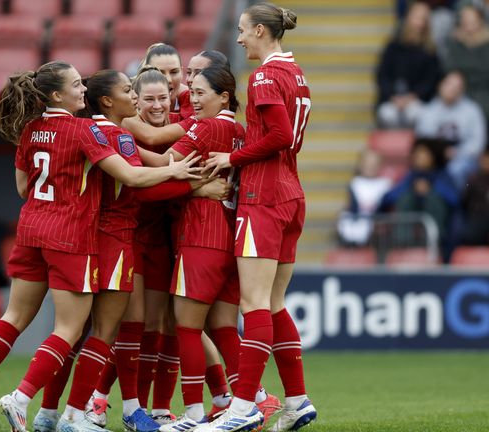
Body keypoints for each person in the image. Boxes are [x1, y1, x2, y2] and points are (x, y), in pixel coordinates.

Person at [0, 61, 202, 432]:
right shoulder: (91, 132)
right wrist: (180, 175)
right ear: (58, 94)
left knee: (15, 318)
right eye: (74, 84)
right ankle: (36, 403)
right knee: (81, 330)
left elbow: (23, 188)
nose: (80, 88)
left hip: (31, 228)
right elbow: (133, 179)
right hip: (84, 237)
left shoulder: (30, 128)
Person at [203, 3, 318, 431]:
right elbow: (289, 138)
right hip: (290, 191)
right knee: (272, 304)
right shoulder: (297, 73)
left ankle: (242, 407)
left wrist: (231, 157)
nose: (237, 39)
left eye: (242, 31)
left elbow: (278, 135)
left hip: (264, 194)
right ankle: (297, 401)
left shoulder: (266, 76)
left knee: (252, 304)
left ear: (261, 32)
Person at [135, 66, 247, 431]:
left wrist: (117, 145)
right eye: (191, 92)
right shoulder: (239, 131)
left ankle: (194, 413)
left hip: (200, 235)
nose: (192, 100)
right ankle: (252, 400)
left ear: (224, 96)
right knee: (224, 328)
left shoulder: (206, 127)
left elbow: (166, 168)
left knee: (185, 328)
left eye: (200, 92)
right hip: (229, 237)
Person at [379, 139, 460, 252]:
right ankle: (403, 245)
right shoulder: (410, 176)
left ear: (432, 156)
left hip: (438, 240)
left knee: (434, 199)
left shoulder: (442, 174)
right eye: (417, 154)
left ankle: (433, 244)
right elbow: (388, 198)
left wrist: (431, 187)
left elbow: (455, 200)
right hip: (407, 240)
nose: (419, 157)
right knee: (406, 199)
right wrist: (411, 188)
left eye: (424, 154)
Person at [415, 71, 486, 189]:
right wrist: (438, 154)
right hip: (434, 158)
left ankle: (456, 205)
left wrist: (457, 153)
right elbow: (423, 140)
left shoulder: (472, 111)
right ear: (440, 85)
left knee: (456, 170)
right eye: (449, 84)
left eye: (457, 86)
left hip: (463, 158)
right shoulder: (428, 111)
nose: (452, 89)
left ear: (463, 90)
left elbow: (478, 143)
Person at [376, 1, 441, 128]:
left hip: (417, 102)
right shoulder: (393, 47)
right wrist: (392, 97)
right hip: (392, 99)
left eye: (422, 18)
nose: (418, 23)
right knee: (387, 114)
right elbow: (382, 75)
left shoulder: (430, 51)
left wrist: (413, 97)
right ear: (408, 18)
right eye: (416, 17)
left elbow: (430, 81)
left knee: (417, 114)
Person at [443, 5, 489, 129]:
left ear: (481, 21)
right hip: (459, 92)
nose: (468, 25)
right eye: (465, 20)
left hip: (487, 94)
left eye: (472, 21)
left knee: (483, 112)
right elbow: (449, 70)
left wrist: (463, 74)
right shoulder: (453, 44)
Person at [337, 149, 393, 246]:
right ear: (361, 165)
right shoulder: (355, 183)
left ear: (380, 166)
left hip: (376, 220)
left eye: (373, 164)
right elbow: (352, 206)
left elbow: (386, 205)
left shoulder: (385, 184)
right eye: (367, 163)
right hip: (358, 218)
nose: (370, 167)